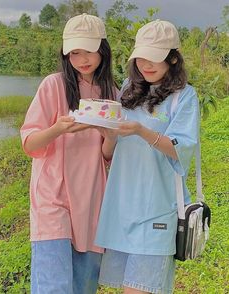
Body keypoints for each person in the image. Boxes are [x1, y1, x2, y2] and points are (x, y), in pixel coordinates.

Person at [95, 19, 200, 294]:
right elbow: (109, 152)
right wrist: (109, 133)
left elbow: (181, 149)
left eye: (154, 58)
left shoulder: (184, 97)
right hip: (122, 208)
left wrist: (142, 130)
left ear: (173, 59)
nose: (146, 65)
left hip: (156, 210)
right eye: (140, 58)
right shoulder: (129, 88)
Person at [20, 13, 118, 294]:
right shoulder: (53, 85)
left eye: (88, 50)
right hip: (53, 196)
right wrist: (58, 129)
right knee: (53, 286)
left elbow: (107, 157)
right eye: (74, 52)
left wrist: (111, 136)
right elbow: (30, 144)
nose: (82, 59)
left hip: (90, 197)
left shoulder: (111, 93)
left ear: (102, 48)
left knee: (84, 286)